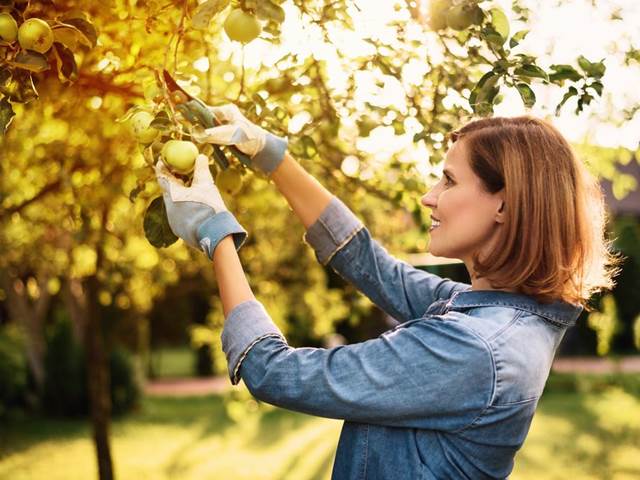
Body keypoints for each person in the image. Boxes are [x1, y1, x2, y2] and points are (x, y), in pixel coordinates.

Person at [155, 107, 621, 479]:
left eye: (449, 180)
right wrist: (269, 154)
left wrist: (217, 235)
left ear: (505, 202)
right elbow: (371, 266)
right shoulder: (504, 318)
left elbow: (273, 371)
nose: (429, 197)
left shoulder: (474, 349)